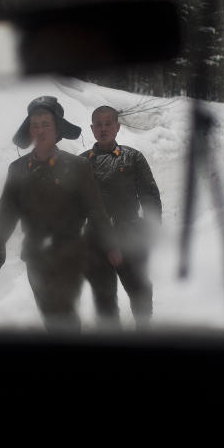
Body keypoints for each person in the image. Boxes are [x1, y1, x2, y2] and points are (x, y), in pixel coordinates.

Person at [0, 96, 121, 331]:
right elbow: (7, 209)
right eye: (35, 125)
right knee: (52, 317)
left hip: (68, 252)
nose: (40, 130)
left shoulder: (77, 167)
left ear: (57, 129)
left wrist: (110, 246)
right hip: (35, 256)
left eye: (46, 124)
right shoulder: (17, 169)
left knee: (62, 315)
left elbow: (96, 209)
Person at [80, 106, 162, 328]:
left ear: (117, 127)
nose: (103, 128)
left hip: (130, 233)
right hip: (96, 239)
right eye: (98, 124)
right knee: (104, 298)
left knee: (139, 289)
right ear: (92, 129)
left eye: (108, 123)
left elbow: (150, 194)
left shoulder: (133, 157)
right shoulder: (81, 163)